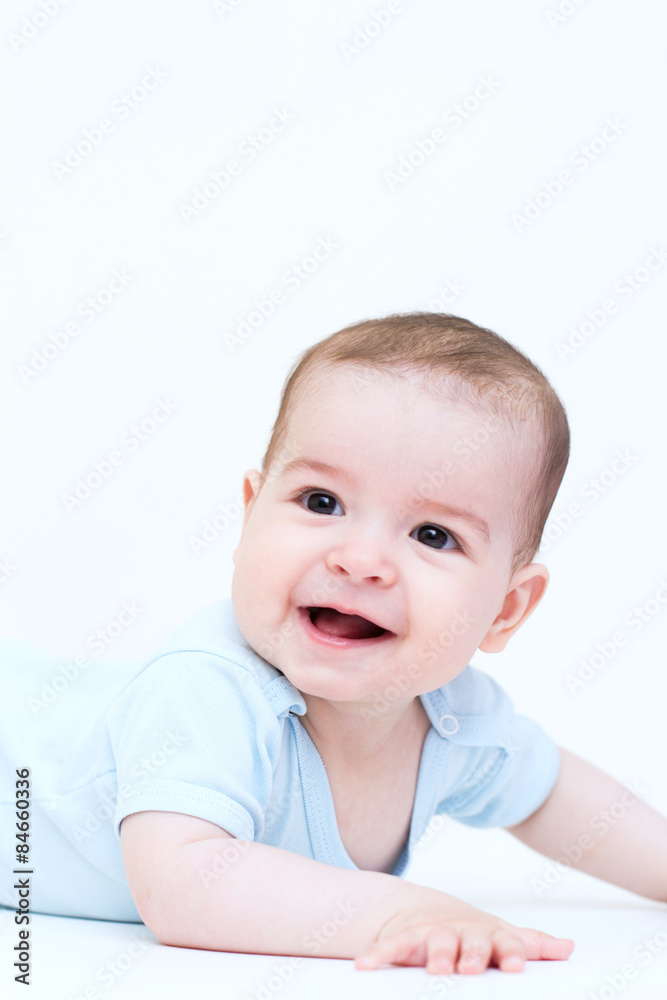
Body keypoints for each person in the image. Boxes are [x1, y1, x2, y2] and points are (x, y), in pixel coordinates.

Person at [2, 312, 665, 976]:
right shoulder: (209, 687)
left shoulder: (451, 718)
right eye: (321, 501)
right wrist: (395, 913)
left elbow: (553, 796)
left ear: (505, 609)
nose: (359, 558)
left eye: (432, 535)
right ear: (250, 514)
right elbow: (182, 885)